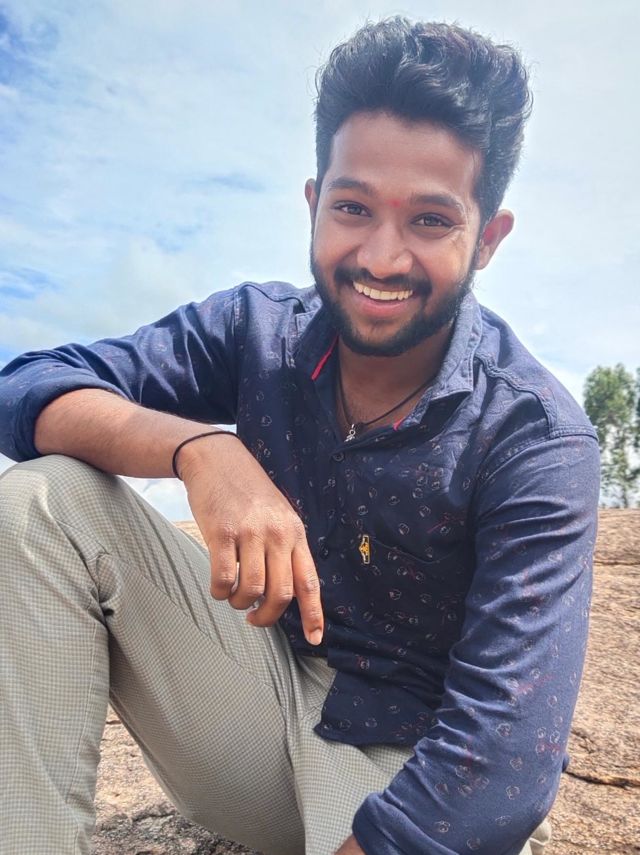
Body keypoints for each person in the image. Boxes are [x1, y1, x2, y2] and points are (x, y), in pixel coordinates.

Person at [0, 16, 599, 855]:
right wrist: (202, 451)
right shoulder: (257, 331)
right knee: (39, 503)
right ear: (315, 204)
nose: (382, 257)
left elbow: (503, 759)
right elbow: (28, 384)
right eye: (354, 207)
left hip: (406, 761)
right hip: (251, 703)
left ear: (488, 237)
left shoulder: (534, 436)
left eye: (431, 220)